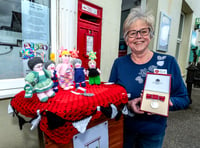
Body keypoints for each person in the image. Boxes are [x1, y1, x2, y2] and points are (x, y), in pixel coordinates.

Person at [109, 7, 190, 148]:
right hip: (124, 129)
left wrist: (167, 102)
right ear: (127, 39)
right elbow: (111, 98)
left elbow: (184, 98)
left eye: (143, 31)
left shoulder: (168, 62)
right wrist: (128, 104)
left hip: (153, 133)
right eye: (132, 33)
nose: (138, 36)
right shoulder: (119, 63)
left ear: (151, 35)